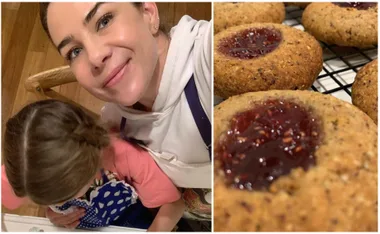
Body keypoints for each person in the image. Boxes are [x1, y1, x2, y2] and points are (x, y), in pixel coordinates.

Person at [38, 2, 212, 224]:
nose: (95, 56)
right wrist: (63, 207)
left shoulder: (207, 64)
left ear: (148, 13)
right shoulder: (113, 121)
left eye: (104, 21)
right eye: (75, 51)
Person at [2, 99, 185, 231]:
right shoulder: (24, 171)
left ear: (91, 170)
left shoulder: (126, 157)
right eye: (50, 200)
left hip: (129, 216)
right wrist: (51, 213)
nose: (58, 203)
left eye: (62, 199)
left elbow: (174, 205)